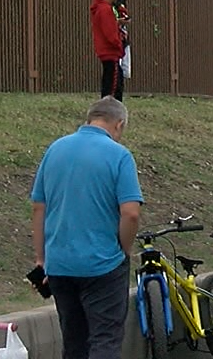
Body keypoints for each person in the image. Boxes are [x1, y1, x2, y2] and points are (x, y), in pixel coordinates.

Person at [30, 98, 142, 359]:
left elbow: (38, 208)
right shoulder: (119, 155)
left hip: (60, 264)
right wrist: (123, 248)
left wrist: (41, 258)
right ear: (119, 124)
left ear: (90, 118)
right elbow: (131, 213)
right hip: (103, 263)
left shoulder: (55, 149)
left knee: (74, 341)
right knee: (105, 339)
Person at [90, 0, 125, 101]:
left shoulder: (100, 8)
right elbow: (110, 33)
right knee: (113, 88)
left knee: (111, 83)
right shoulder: (105, 10)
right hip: (111, 53)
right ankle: (109, 114)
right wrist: (119, 43)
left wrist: (116, 24)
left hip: (107, 53)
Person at [102, 0, 132, 79]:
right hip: (113, 39)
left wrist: (125, 20)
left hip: (123, 37)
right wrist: (117, 22)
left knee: (125, 71)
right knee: (115, 70)